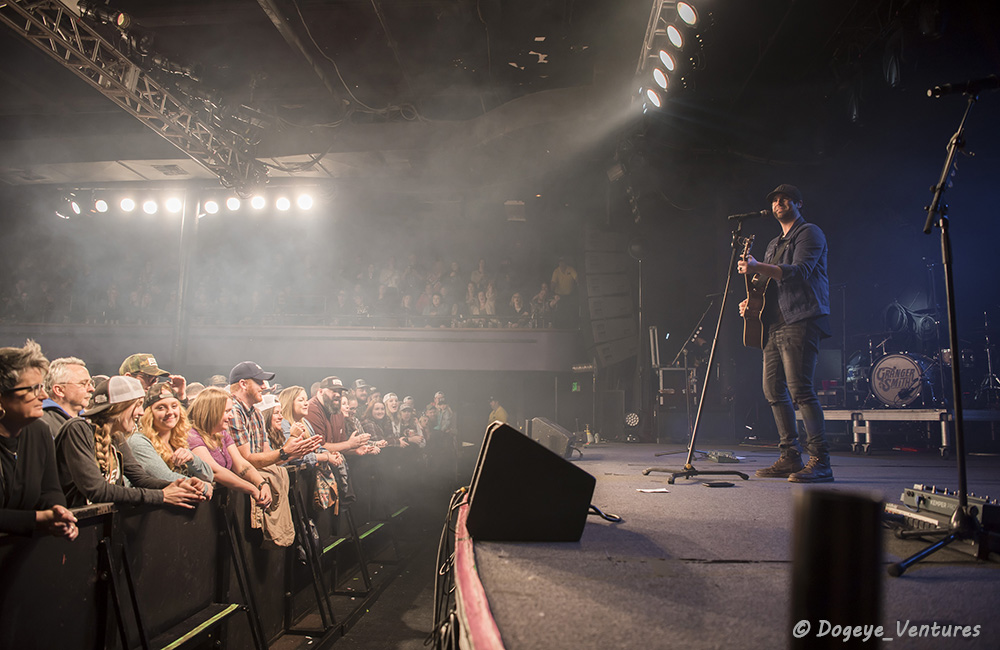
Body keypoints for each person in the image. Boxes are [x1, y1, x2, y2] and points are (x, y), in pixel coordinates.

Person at [737, 184, 832, 483]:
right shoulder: (772, 243)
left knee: (801, 390)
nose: (778, 203)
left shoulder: (809, 233)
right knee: (772, 390)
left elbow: (799, 271)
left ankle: (821, 461)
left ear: (798, 203)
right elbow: (766, 284)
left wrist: (757, 265)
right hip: (774, 323)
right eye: (775, 200)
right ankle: (790, 456)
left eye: (784, 199)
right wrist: (749, 302)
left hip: (801, 318)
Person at [56, 376, 207, 508]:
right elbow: (97, 490)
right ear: (118, 407)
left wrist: (180, 485)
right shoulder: (78, 429)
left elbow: (141, 478)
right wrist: (160, 496)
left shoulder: (116, 437)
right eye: (137, 405)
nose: (141, 412)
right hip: (70, 531)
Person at [0, 340, 77, 540]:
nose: (43, 396)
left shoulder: (39, 431)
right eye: (33, 389)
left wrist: (59, 511)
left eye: (42, 387)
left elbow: (50, 489)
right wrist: (38, 518)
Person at [187, 387, 272, 508]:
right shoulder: (192, 436)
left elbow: (241, 465)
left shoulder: (221, 434)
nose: (231, 416)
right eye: (227, 411)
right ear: (212, 411)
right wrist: (252, 489)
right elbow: (214, 471)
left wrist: (262, 484)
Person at [228, 361, 319, 469]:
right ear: (243, 384)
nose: (263, 386)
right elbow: (245, 461)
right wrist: (285, 451)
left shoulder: (256, 413)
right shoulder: (233, 410)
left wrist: (293, 453)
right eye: (259, 382)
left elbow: (267, 458)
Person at [129, 384, 213, 497]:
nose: (170, 412)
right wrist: (204, 486)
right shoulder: (139, 441)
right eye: (161, 408)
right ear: (149, 413)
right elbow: (164, 477)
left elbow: (209, 475)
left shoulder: (177, 441)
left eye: (174, 406)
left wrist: (193, 459)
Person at [31, 356, 95, 439]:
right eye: (83, 383)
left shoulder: (90, 421)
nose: (92, 389)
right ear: (59, 390)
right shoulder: (41, 423)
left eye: (90, 383)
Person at [120, 353, 187, 396]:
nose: (153, 383)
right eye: (147, 377)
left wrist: (180, 396)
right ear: (128, 378)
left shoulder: (152, 407)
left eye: (155, 378)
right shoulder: (112, 410)